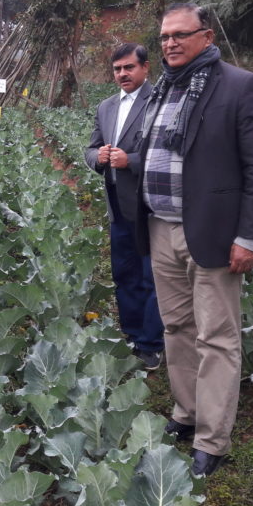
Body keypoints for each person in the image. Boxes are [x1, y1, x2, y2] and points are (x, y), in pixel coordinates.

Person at [136, 1, 253, 476]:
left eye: (181, 34)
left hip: (213, 232)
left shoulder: (239, 86)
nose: (170, 43)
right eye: (164, 37)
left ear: (207, 37)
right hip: (162, 227)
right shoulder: (160, 92)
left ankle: (212, 439)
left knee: (216, 336)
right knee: (176, 328)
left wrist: (249, 237)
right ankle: (187, 411)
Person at [84, 43, 164, 369]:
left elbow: (169, 153)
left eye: (129, 67)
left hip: (149, 205)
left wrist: (130, 160)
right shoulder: (106, 107)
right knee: (124, 273)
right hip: (117, 203)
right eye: (117, 69)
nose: (122, 74)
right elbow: (90, 149)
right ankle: (131, 333)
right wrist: (98, 159)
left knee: (150, 276)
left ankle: (151, 344)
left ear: (145, 68)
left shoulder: (160, 101)